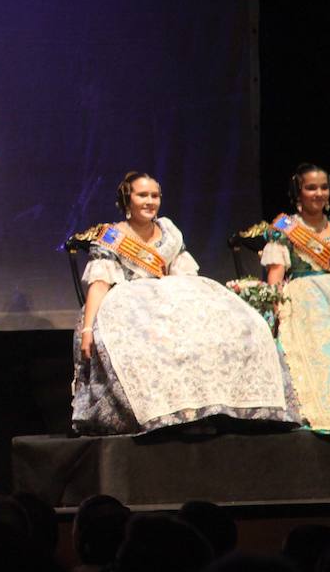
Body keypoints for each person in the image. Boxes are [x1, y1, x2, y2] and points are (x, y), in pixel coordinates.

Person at [71, 171, 292, 435]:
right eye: (142, 195)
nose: (150, 201)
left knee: (237, 325)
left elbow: (185, 276)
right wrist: (87, 330)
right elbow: (99, 284)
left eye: (155, 195)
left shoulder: (169, 231)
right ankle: (165, 414)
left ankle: (215, 409)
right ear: (126, 199)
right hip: (128, 305)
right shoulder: (112, 236)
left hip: (169, 297)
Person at [262, 163, 330, 432]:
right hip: (305, 293)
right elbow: (276, 274)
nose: (318, 193)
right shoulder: (285, 227)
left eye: (324, 187)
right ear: (297, 193)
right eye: (311, 187)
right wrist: (273, 304)